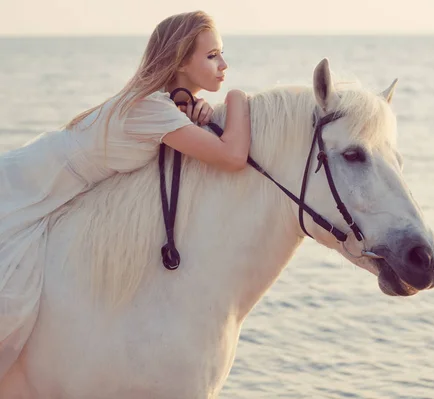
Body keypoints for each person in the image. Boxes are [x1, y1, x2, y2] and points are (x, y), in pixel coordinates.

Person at [0, 10, 251, 379]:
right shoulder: (154, 109)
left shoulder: (160, 107)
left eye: (221, 54)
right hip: (32, 184)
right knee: (11, 300)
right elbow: (232, 157)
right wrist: (237, 98)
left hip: (45, 181)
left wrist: (193, 113)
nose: (224, 65)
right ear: (181, 60)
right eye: (213, 56)